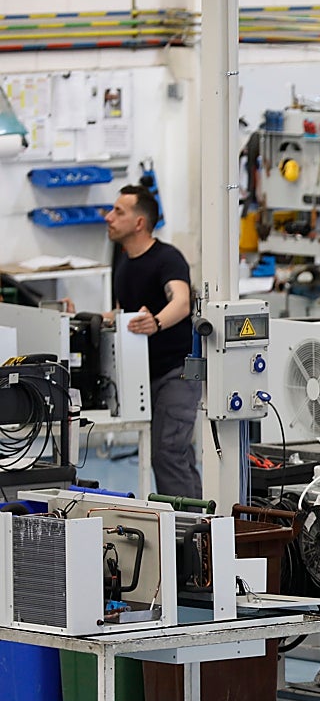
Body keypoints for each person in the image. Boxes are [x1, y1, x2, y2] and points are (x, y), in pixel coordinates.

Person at [106, 184, 202, 499]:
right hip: (144, 374)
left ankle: (188, 535)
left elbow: (182, 302)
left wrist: (157, 322)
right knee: (174, 454)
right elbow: (126, 312)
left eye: (118, 211)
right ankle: (200, 526)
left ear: (139, 223)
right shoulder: (123, 262)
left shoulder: (167, 258)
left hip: (178, 372)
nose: (109, 217)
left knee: (169, 452)